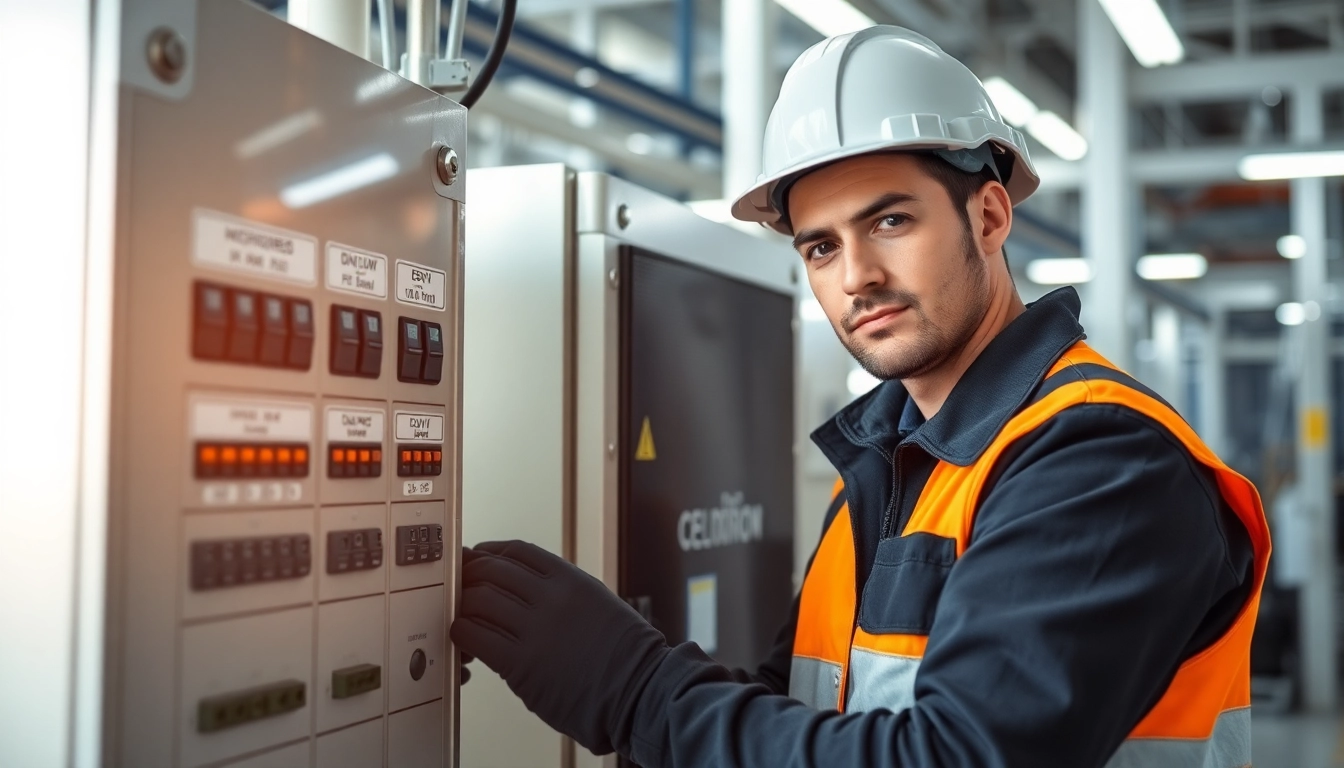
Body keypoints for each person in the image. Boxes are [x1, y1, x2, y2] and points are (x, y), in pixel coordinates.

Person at [451, 26, 1270, 767]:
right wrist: (586, 650)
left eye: (889, 223)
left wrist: (631, 689)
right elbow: (800, 708)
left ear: (988, 216)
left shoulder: (1100, 461)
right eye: (820, 246)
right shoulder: (887, 468)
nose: (856, 277)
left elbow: (954, 757)